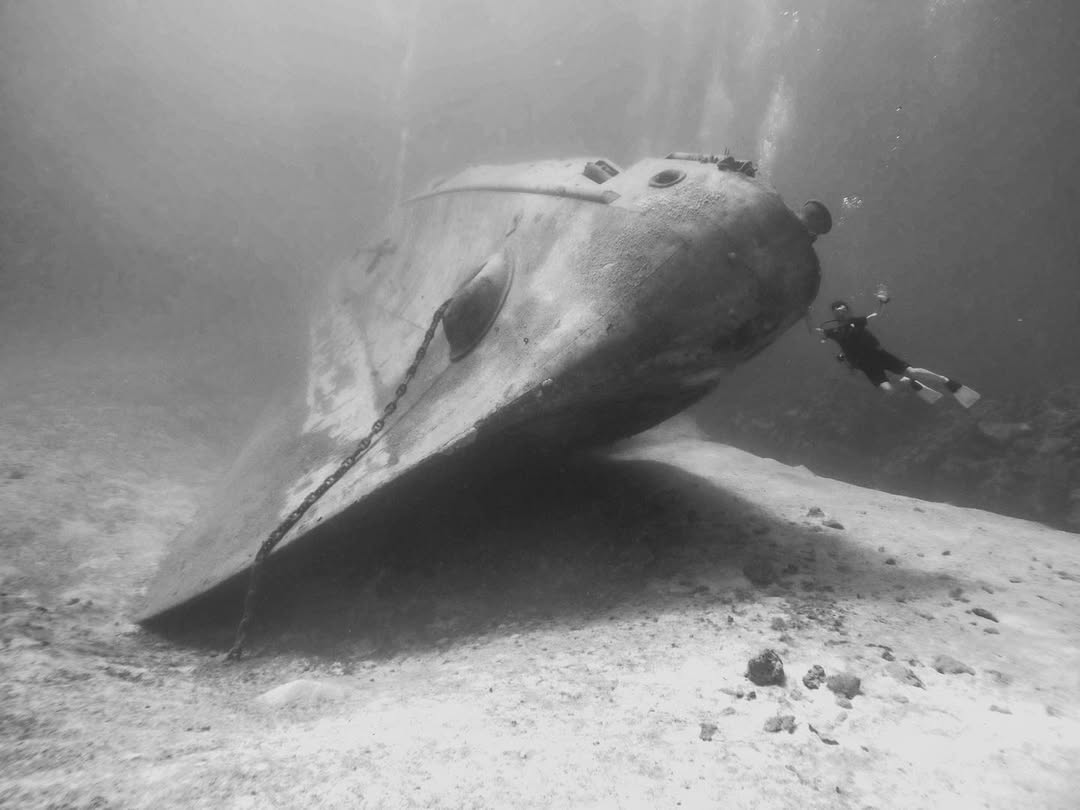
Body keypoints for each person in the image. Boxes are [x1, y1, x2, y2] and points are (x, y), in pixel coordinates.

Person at [817, 286, 980, 407]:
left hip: (880, 356)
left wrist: (882, 301)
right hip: (866, 366)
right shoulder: (834, 331)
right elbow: (816, 332)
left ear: (848, 310)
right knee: (889, 391)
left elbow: (876, 315)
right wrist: (806, 314)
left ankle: (945, 381)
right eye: (836, 310)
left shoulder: (857, 322)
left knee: (912, 371)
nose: (839, 311)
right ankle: (906, 381)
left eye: (842, 308)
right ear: (834, 314)